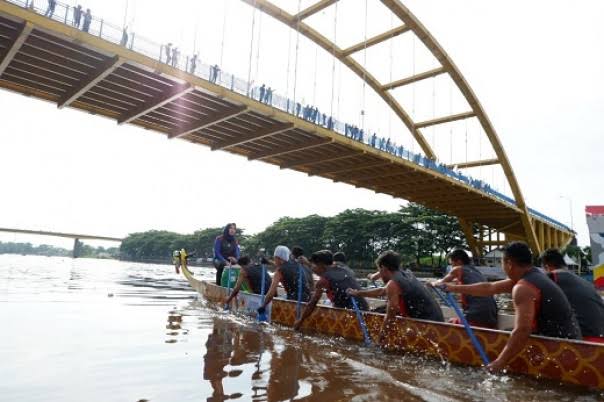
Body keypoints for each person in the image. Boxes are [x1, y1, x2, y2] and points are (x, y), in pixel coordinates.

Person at [443, 242, 581, 372]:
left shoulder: (523, 287)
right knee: (509, 332)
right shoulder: (533, 276)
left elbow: (522, 330)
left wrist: (499, 363)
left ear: (509, 264)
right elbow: (489, 288)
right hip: (572, 342)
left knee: (512, 335)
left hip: (562, 351)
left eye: (501, 262)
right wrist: (453, 288)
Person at [348, 250, 443, 343]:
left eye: (379, 270)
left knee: (381, 315)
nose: (379, 274)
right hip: (438, 319)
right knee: (381, 310)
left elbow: (390, 317)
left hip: (430, 327)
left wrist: (380, 341)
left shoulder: (393, 284)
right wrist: (358, 293)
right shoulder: (405, 273)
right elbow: (382, 291)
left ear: (383, 268)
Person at [294, 250, 369, 330]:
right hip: (365, 309)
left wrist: (300, 320)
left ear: (320, 265)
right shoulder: (344, 269)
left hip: (350, 316)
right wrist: (307, 263)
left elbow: (312, 304)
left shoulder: (323, 281)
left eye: (314, 265)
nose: (313, 269)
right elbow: (319, 270)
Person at [541, 248, 604, 342]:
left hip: (585, 341)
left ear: (546, 267)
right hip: (599, 338)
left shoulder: (552, 277)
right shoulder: (585, 282)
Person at [430, 249, 498, 328]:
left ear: (458, 262)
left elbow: (441, 282)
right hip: (492, 318)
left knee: (450, 322)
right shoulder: (476, 272)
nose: (452, 267)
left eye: (452, 264)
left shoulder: (458, 269)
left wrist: (432, 283)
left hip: (476, 318)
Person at [258, 246, 313, 313]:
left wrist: (263, 306)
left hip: (294, 302)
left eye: (274, 257)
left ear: (278, 258)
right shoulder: (297, 264)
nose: (274, 259)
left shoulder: (279, 271)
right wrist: (269, 262)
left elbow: (271, 293)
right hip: (308, 299)